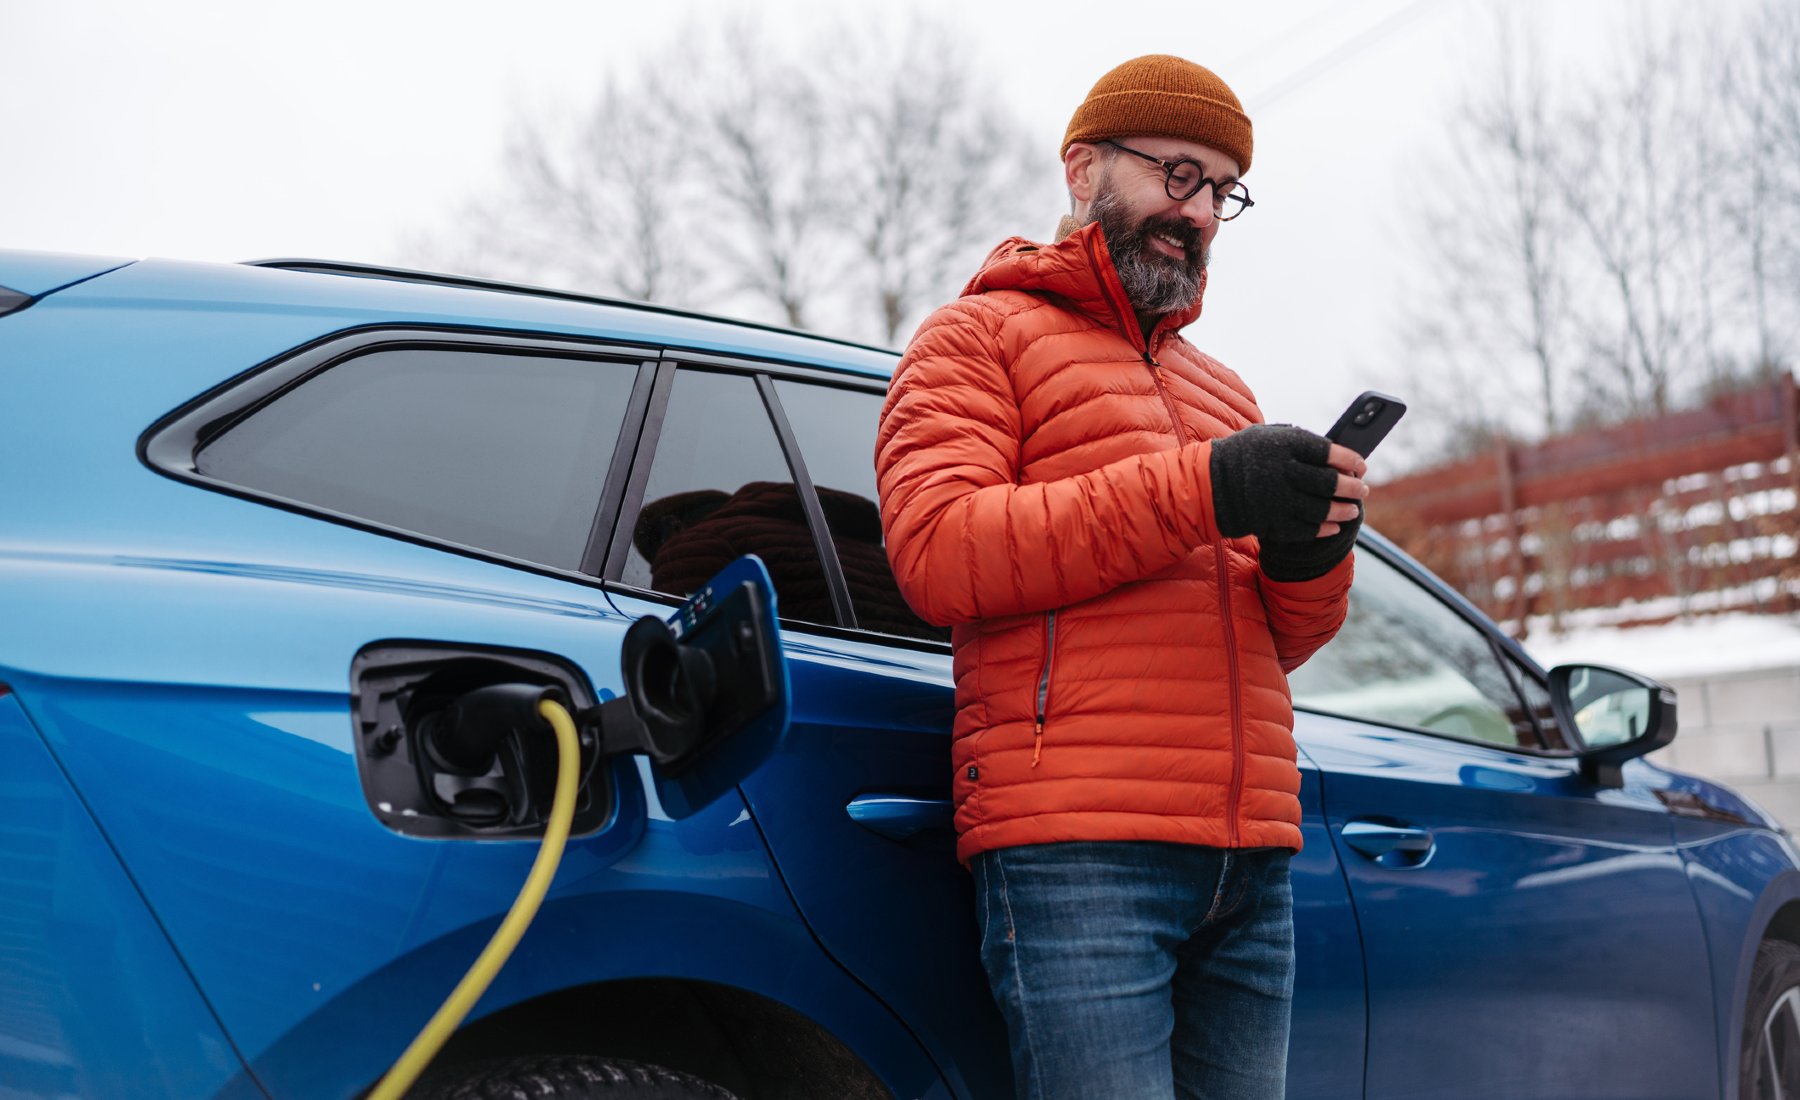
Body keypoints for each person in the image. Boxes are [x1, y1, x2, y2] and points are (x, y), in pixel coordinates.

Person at [873, 55, 1369, 1100]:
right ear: (1083, 167)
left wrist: (1311, 551)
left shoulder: (1222, 387)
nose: (1195, 214)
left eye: (1221, 191)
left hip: (1248, 854)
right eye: (1175, 174)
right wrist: (1205, 489)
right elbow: (940, 547)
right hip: (1081, 851)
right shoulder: (975, 337)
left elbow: (1281, 637)